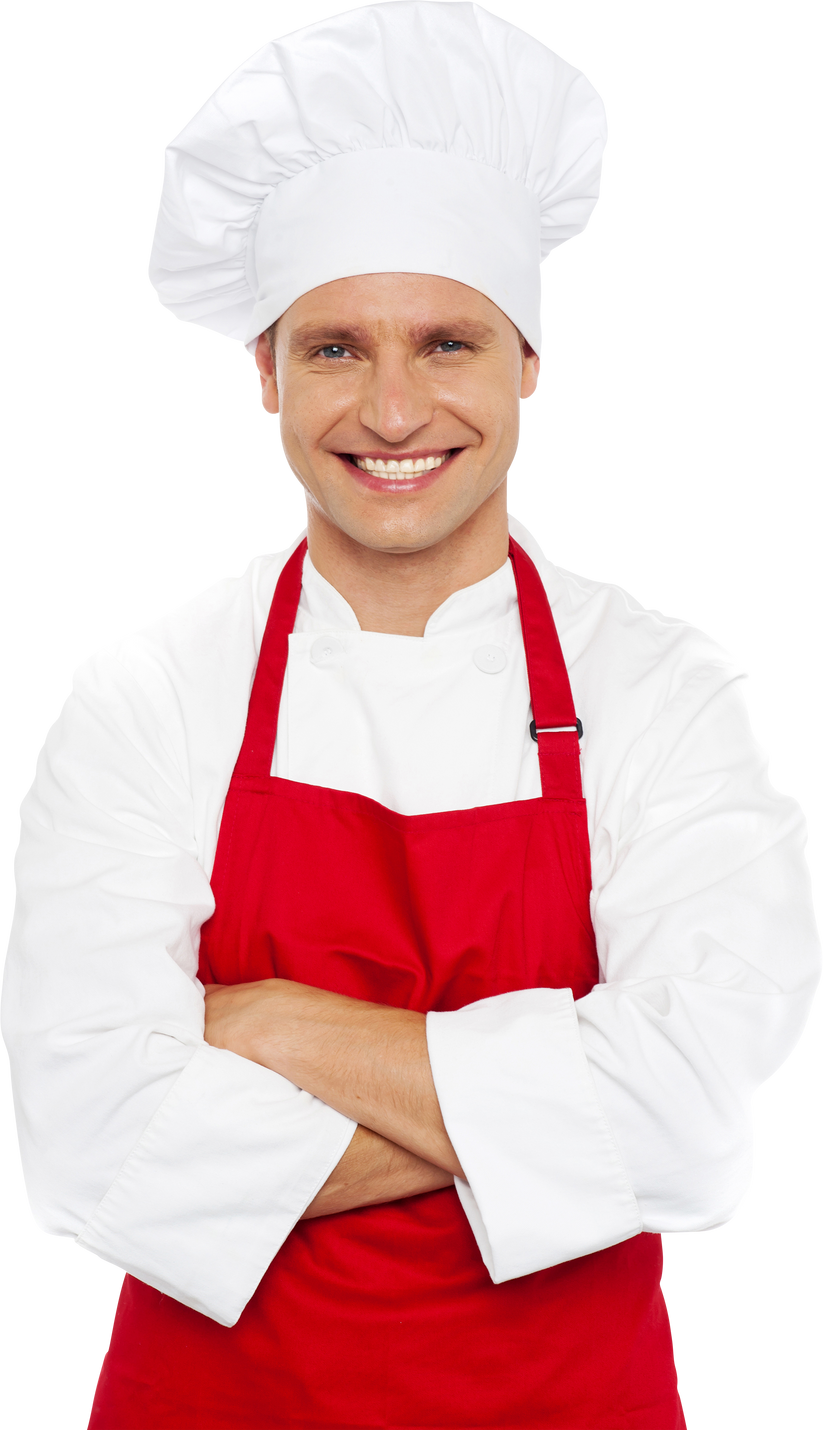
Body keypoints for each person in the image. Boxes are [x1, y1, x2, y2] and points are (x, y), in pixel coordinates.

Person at [2, 3, 820, 1426]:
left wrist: (271, 1028)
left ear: (529, 362)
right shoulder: (146, 696)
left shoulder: (661, 689)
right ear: (264, 372)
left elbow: (689, 1123)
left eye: (447, 341)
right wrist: (552, 1110)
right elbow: (90, 1146)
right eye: (334, 349)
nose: (391, 411)